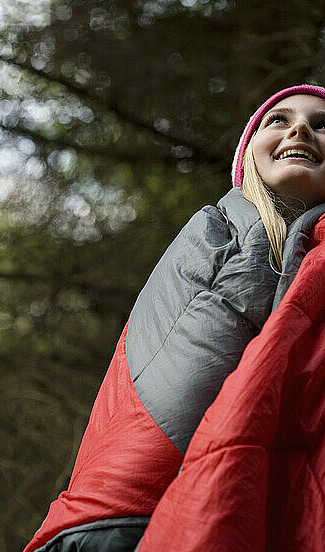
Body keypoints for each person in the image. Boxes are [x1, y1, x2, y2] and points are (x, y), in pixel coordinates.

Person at [23, 84, 325, 552]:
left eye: (322, 125)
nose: (301, 128)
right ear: (248, 159)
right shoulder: (226, 226)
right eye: (279, 120)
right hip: (139, 505)